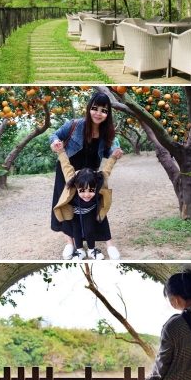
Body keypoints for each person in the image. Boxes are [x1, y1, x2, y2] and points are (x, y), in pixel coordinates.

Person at [49, 92, 122, 260]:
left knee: (97, 203)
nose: (98, 113)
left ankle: (109, 244)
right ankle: (71, 243)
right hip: (68, 171)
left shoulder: (105, 132)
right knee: (69, 204)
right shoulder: (75, 124)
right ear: (89, 108)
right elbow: (54, 135)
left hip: (90, 173)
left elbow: (104, 152)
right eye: (95, 108)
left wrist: (114, 153)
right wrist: (55, 143)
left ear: (108, 113)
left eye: (104, 110)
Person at [51, 140, 119, 259]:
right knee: (76, 230)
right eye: (82, 191)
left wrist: (114, 156)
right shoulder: (72, 179)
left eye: (91, 190)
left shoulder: (99, 179)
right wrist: (60, 151)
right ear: (76, 186)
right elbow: (65, 164)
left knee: (90, 229)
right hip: (75, 211)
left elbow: (108, 168)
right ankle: (79, 250)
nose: (87, 195)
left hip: (90, 210)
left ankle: (92, 250)